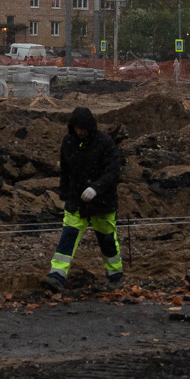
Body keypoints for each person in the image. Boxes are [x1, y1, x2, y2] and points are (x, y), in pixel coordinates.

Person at [47, 105, 125, 291]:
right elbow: (65, 172)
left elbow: (113, 171)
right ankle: (57, 276)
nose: (80, 132)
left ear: (91, 127)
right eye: (77, 128)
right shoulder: (68, 143)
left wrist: (96, 188)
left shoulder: (105, 143)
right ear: (72, 127)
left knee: (107, 240)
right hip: (76, 201)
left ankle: (115, 275)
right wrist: (64, 196)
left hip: (102, 202)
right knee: (68, 236)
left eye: (84, 128)